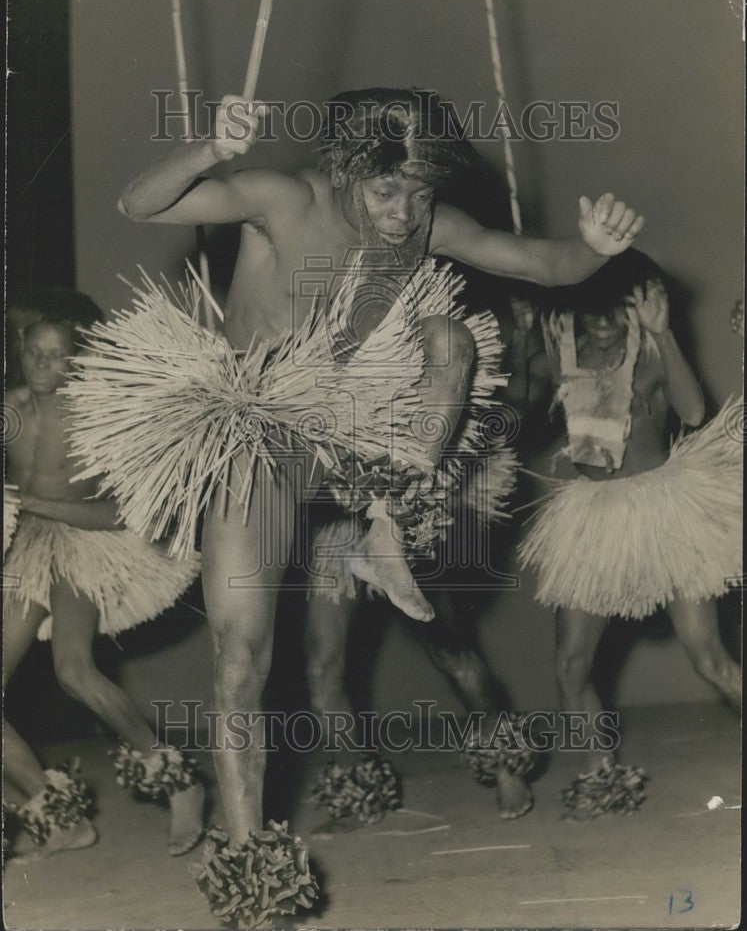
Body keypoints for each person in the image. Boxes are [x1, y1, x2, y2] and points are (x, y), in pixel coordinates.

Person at [67, 87, 643, 922]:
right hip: (256, 432)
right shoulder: (282, 199)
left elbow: (542, 264)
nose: (406, 213)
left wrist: (593, 249)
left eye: (417, 192)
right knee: (241, 659)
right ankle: (246, 861)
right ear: (342, 169)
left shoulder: (427, 220)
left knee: (449, 339)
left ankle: (387, 527)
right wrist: (207, 150)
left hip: (354, 432)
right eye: (385, 192)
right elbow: (139, 202)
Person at [518, 250, 742, 818]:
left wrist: (665, 337)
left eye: (617, 306)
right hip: (591, 519)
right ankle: (600, 775)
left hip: (665, 510)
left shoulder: (649, 355)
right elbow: (520, 402)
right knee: (570, 665)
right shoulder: (559, 351)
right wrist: (522, 336)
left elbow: (692, 413)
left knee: (709, 657)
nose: (602, 318)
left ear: (638, 307)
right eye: (589, 304)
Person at [3, 296, 205, 858]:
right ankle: (56, 814)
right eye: (35, 354)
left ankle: (178, 781)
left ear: (76, 362)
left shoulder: (94, 419)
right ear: (20, 353)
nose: (44, 367)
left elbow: (121, 514)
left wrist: (34, 504)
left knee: (73, 669)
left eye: (57, 357)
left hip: (86, 544)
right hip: (24, 549)